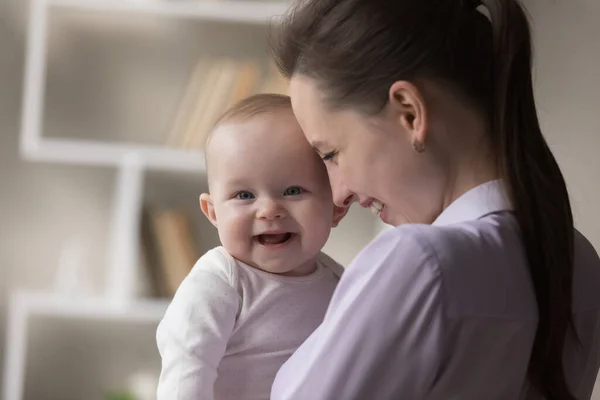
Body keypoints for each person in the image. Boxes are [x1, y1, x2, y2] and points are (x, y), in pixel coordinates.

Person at [269, 0, 600, 399]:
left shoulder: (421, 262)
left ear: (409, 112)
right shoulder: (579, 263)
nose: (339, 193)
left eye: (332, 154)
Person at [155, 94, 346, 400]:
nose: (269, 210)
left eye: (293, 190)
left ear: (336, 206)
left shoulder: (340, 282)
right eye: (244, 195)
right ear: (213, 212)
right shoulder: (220, 281)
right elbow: (187, 368)